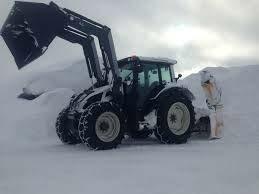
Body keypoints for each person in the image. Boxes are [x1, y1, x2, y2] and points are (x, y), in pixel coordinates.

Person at [200, 70, 224, 139]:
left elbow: (217, 93)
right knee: (213, 118)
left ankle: (219, 134)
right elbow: (207, 95)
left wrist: (214, 103)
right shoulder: (205, 84)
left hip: (217, 104)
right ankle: (213, 135)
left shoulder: (213, 83)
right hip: (212, 105)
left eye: (206, 82)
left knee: (218, 118)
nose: (205, 84)